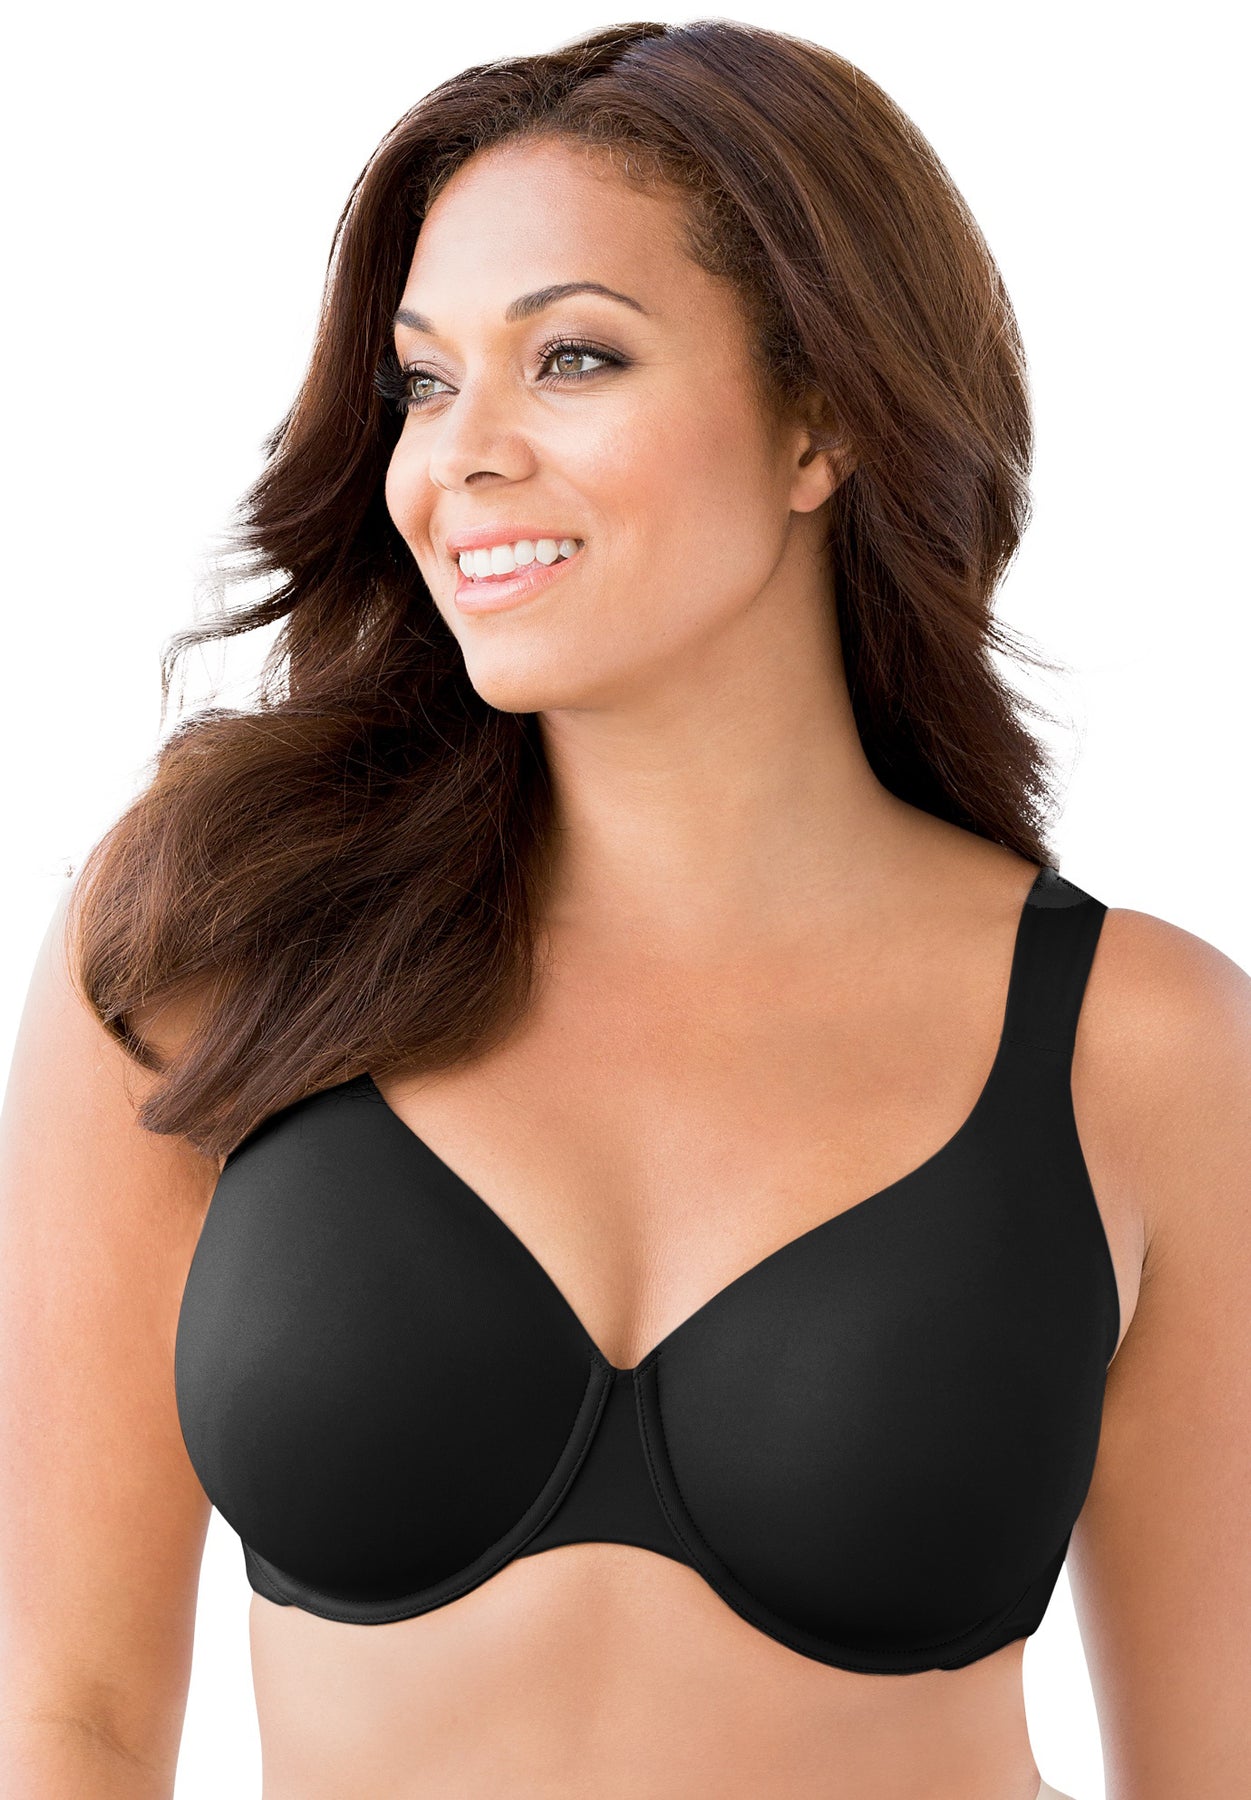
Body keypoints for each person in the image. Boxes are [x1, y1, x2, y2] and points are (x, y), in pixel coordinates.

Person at [1, 19, 1247, 1800]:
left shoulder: (1143, 1046)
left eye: (571, 357)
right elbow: (66, 1717)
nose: (459, 457)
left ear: (824, 420)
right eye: (422, 382)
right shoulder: (210, 941)